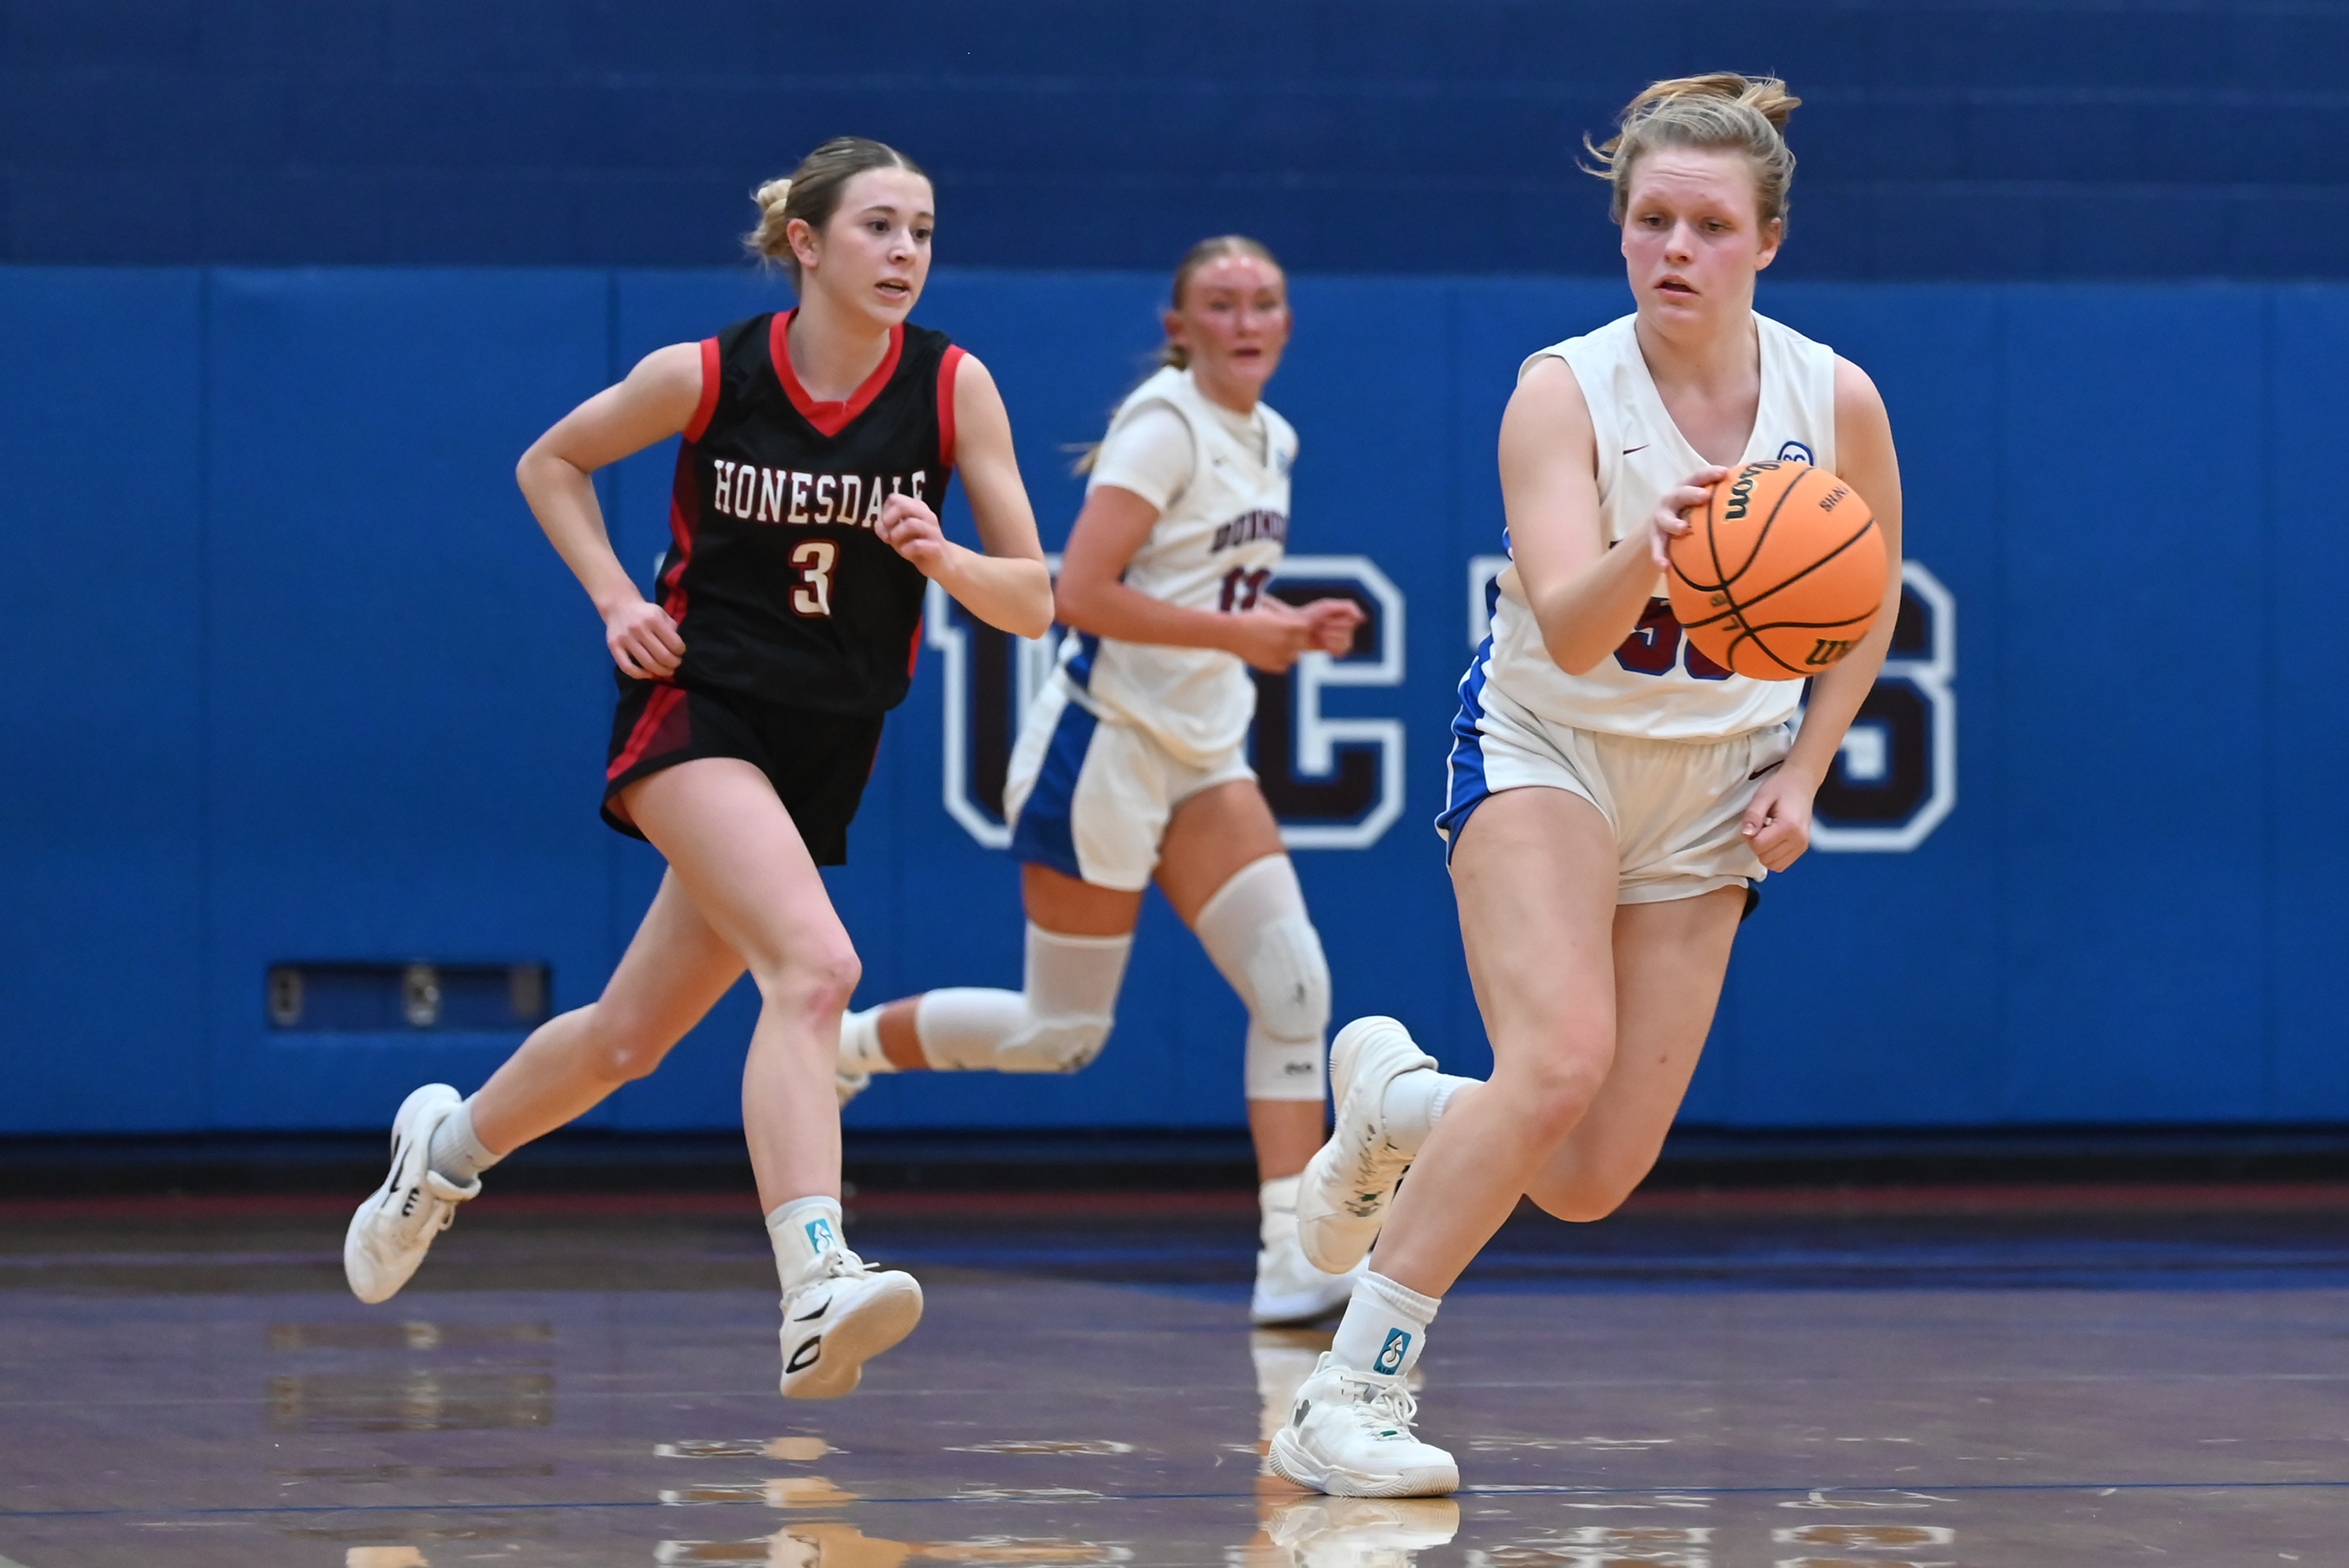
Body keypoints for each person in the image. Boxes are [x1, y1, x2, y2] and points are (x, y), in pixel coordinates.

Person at [1267, 74, 1907, 1494]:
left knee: (1585, 1174)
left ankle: (1397, 1103)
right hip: (1544, 748)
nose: (1677, 247)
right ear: (1620, 230)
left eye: (1711, 225)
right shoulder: (1562, 392)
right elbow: (1565, 624)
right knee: (1556, 1061)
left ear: (1768, 241)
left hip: (1715, 782)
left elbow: (1865, 607)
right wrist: (1655, 546)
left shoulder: (1834, 398)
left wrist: (1806, 772)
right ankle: (1349, 1393)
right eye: (1652, 220)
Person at [339, 138, 1055, 1400]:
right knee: (816, 969)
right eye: (879, 227)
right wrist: (617, 598)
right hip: (697, 706)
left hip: (828, 739)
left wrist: (944, 560)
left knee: (628, 1040)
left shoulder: (953, 388)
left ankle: (441, 1153)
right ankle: (815, 1281)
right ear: (807, 244)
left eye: (923, 230)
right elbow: (551, 462)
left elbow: (1035, 601)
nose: (905, 252)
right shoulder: (709, 373)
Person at [833, 236, 1366, 1325]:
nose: (1247, 321)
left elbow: (1202, 587)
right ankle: (843, 1048)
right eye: (1222, 304)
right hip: (1106, 749)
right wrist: (1242, 636)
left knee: (1293, 989)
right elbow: (1078, 592)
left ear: (1287, 320)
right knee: (1059, 1037)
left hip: (1203, 753)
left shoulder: (1272, 436)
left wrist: (1280, 622)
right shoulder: (1164, 426)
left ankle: (1291, 1253)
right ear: (1180, 327)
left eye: (1265, 302)